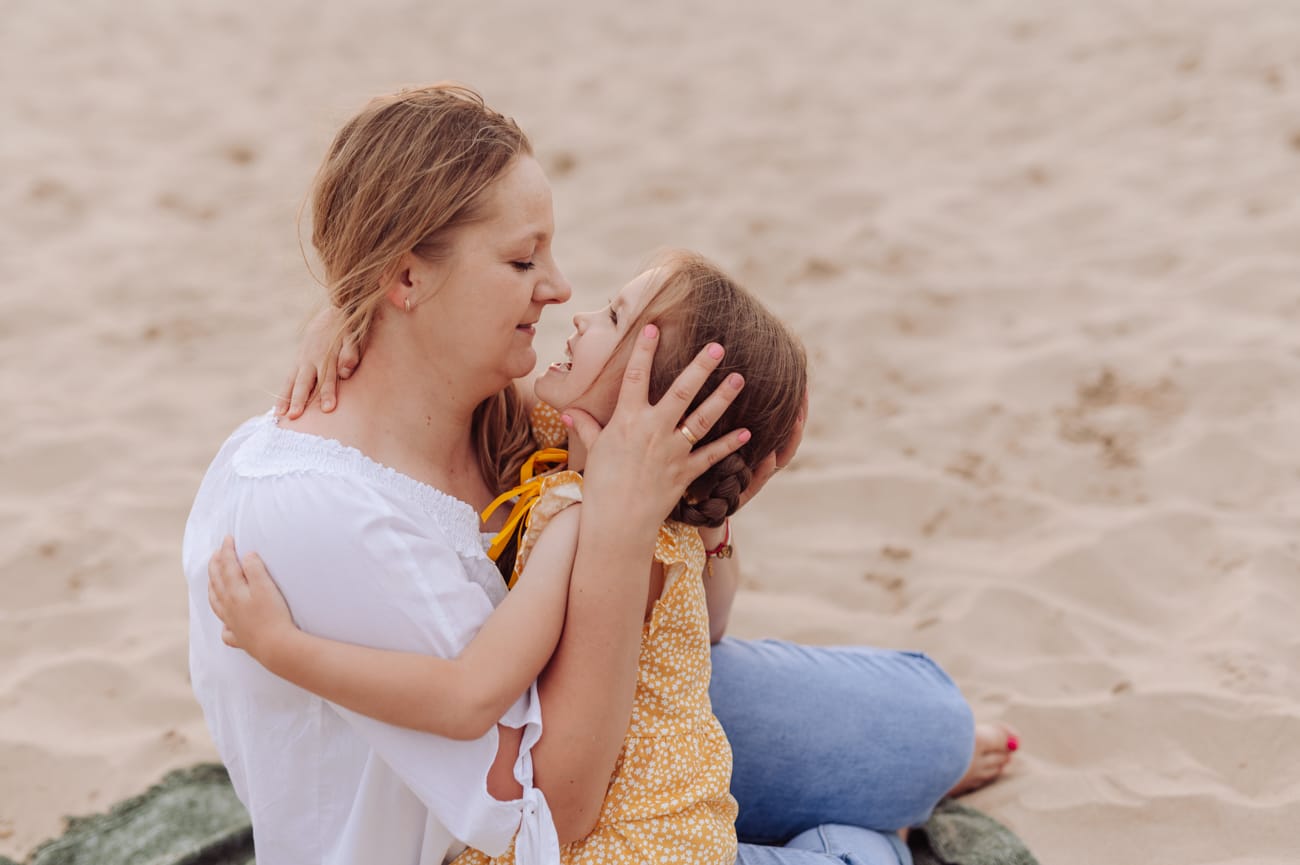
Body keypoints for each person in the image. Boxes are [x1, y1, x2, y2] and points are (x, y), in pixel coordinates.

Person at [183, 84, 754, 865]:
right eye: (523, 259)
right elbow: (542, 793)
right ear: (407, 278)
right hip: (587, 813)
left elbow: (703, 630)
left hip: (637, 708)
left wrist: (711, 512)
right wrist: (615, 532)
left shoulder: (507, 417)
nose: (560, 289)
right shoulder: (326, 510)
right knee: (861, 819)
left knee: (909, 720)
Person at [210, 251, 883, 865]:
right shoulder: (594, 462)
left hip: (639, 848)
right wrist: (349, 319)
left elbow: (470, 694)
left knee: (863, 847)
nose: (581, 312)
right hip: (672, 830)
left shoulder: (583, 523)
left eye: (614, 317)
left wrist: (282, 648)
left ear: (641, 403)